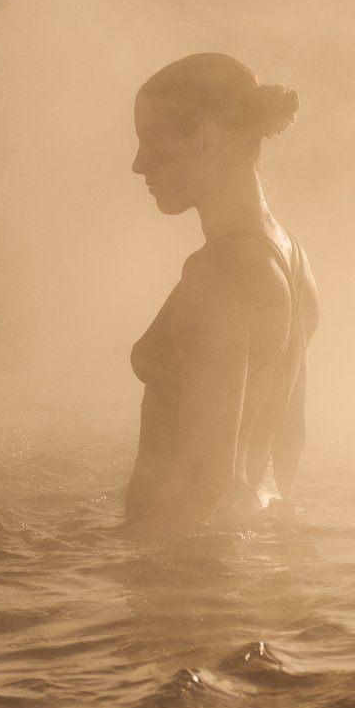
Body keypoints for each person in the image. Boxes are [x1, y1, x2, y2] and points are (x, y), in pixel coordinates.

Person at [124, 53, 319, 532]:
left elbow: (202, 479)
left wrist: (132, 574)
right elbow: (288, 440)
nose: (137, 164)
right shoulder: (289, 255)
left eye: (150, 141)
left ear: (207, 138)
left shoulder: (221, 278)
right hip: (232, 552)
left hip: (186, 571)